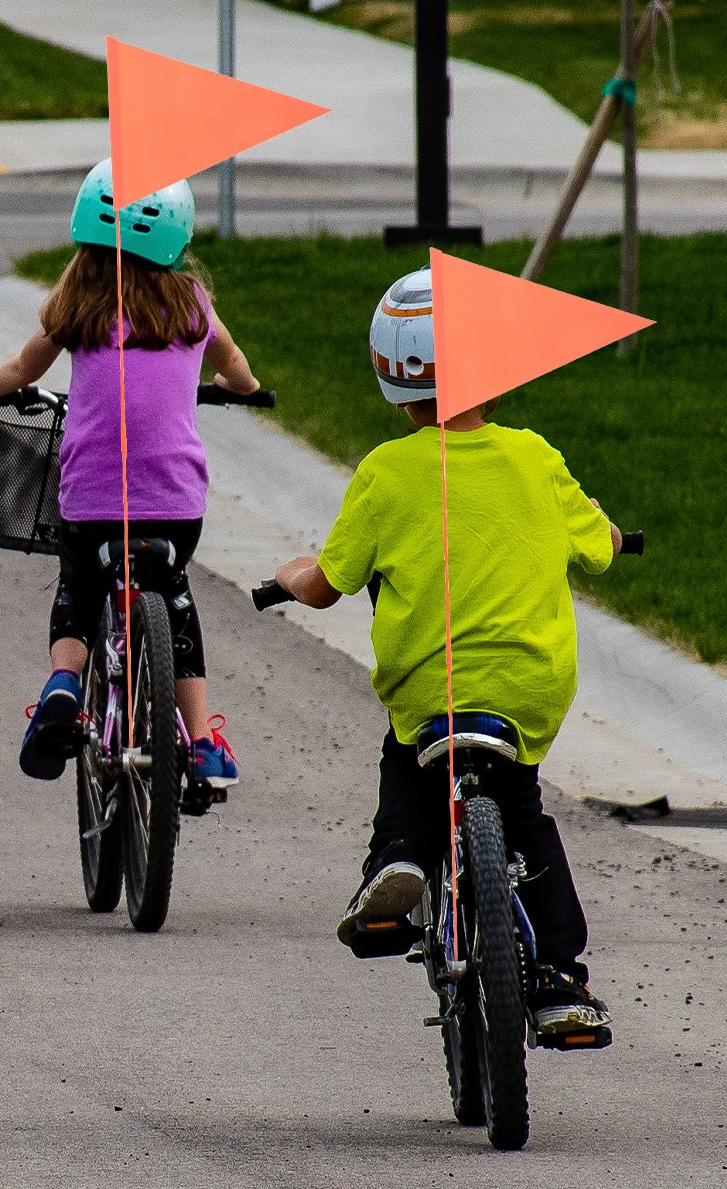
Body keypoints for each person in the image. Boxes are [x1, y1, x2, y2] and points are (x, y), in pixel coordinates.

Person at [272, 265, 620, 1039]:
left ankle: (397, 861)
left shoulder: (385, 474)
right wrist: (613, 533)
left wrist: (291, 574)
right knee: (523, 811)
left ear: (390, 377)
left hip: (434, 690)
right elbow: (597, 547)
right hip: (528, 686)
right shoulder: (535, 458)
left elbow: (328, 584)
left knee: (408, 768)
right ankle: (561, 979)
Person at [0, 160, 259, 786]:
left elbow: (20, 373)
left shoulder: (77, 306)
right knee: (174, 599)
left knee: (78, 590)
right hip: (174, 503)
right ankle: (201, 744)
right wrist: (244, 387)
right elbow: (235, 364)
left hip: (92, 501)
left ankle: (65, 682)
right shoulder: (194, 305)